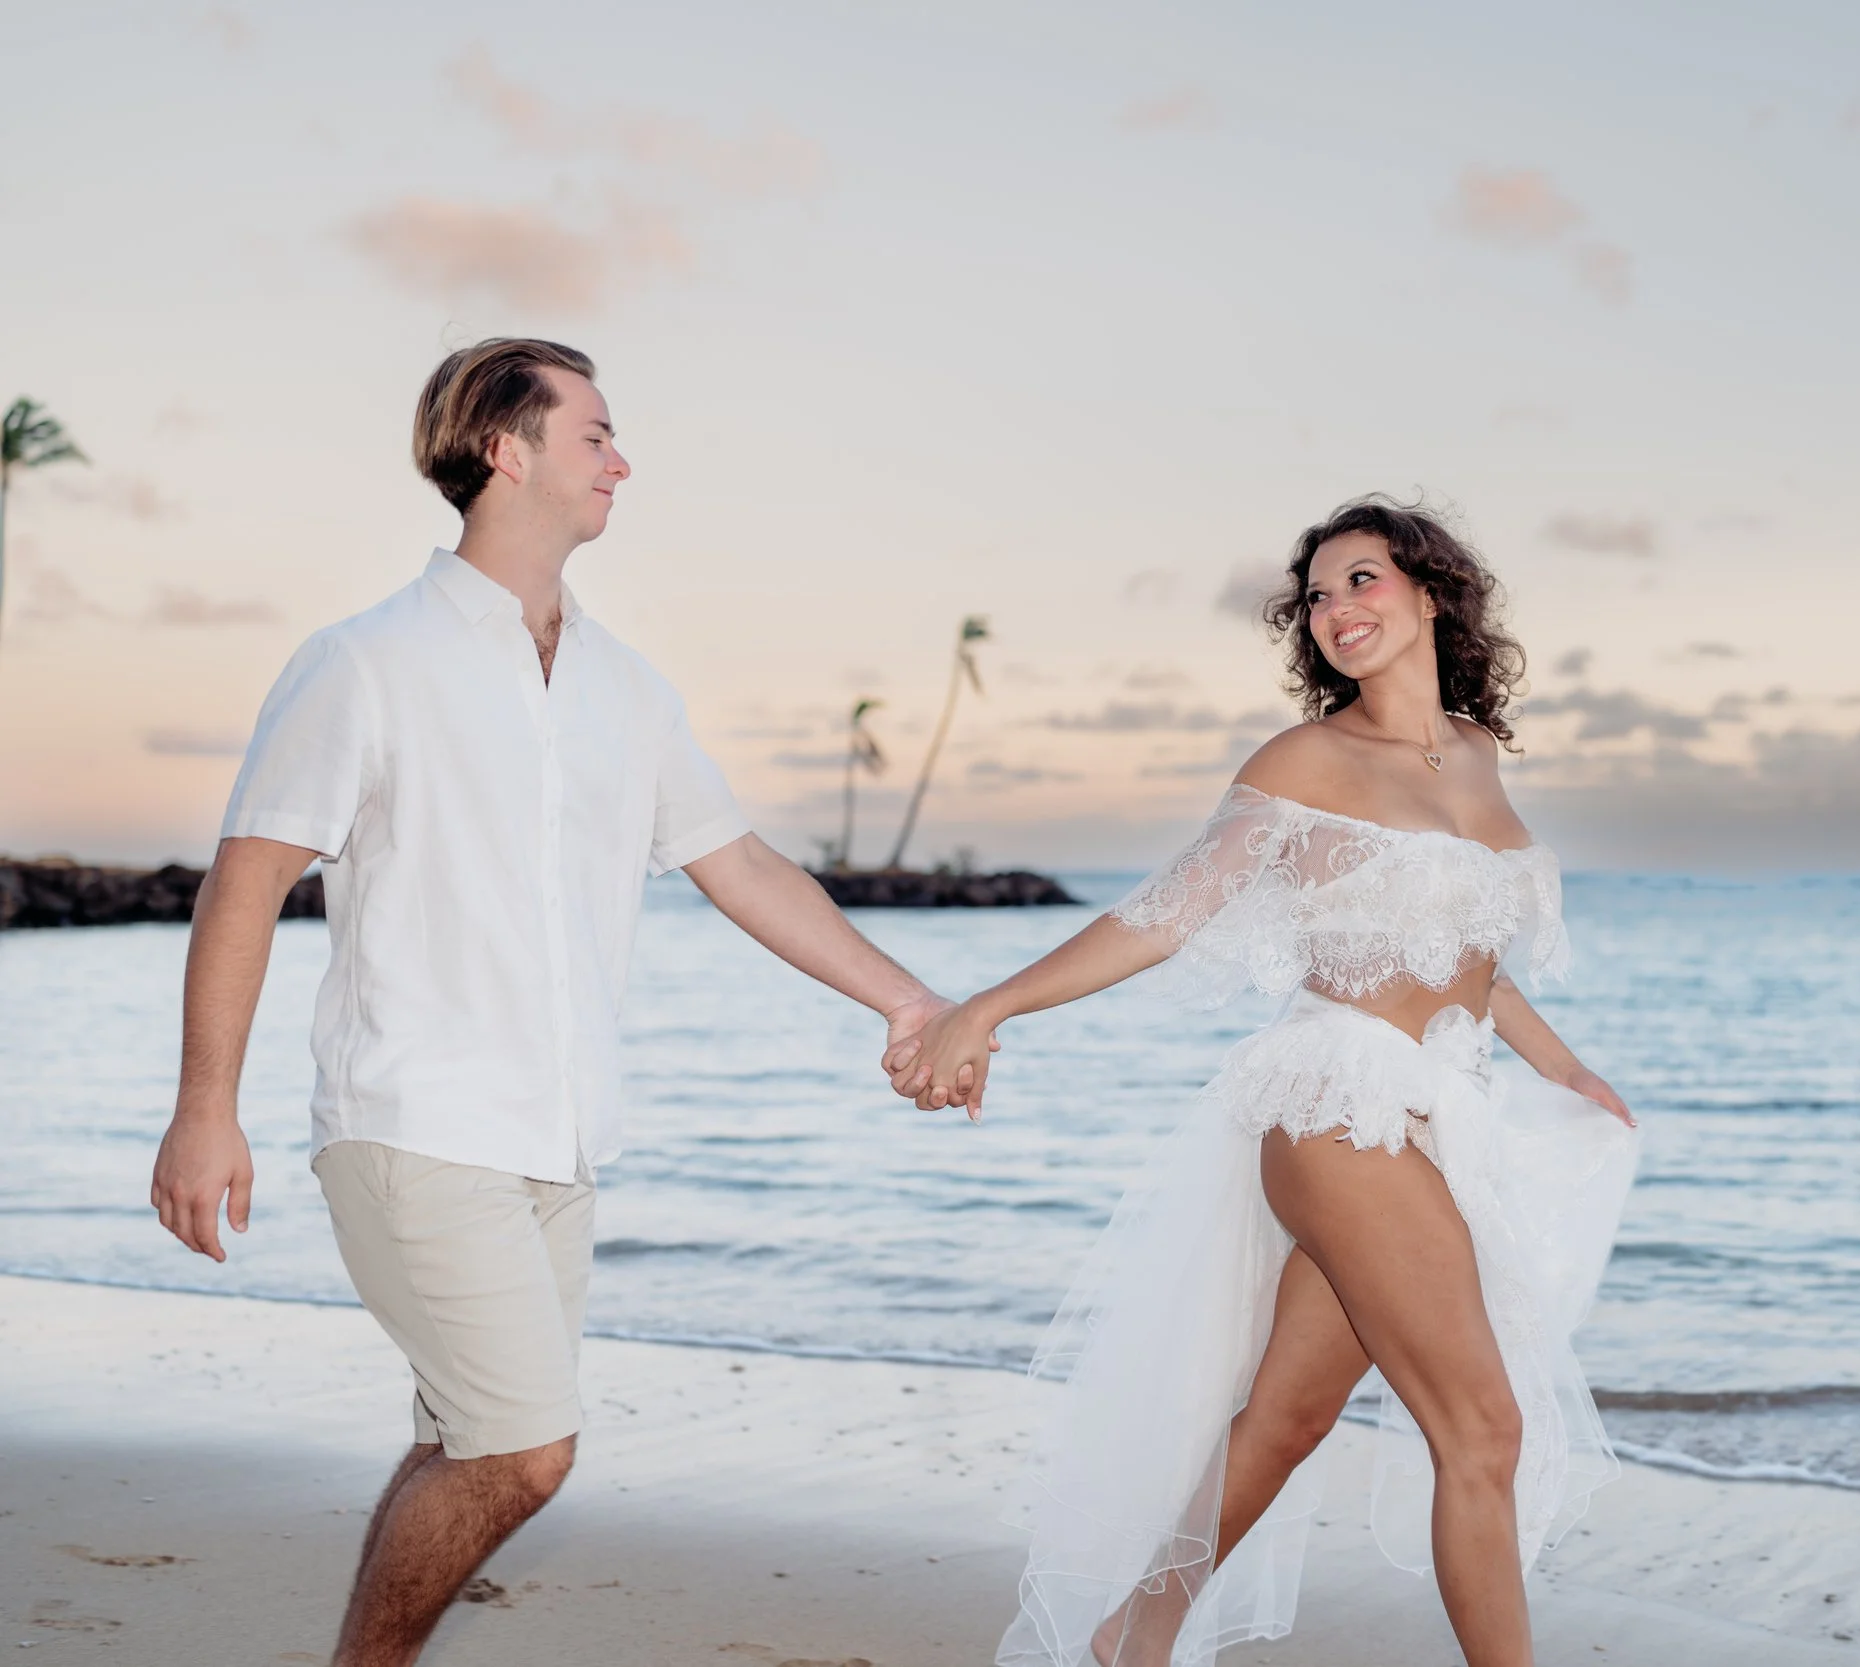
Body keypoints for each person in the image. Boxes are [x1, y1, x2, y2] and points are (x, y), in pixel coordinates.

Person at [147, 338, 967, 1667]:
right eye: (595, 434)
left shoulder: (625, 684)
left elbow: (742, 864)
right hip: (414, 1116)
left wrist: (908, 997)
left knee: (465, 1436)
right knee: (526, 1450)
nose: (621, 460)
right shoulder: (365, 660)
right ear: (506, 450)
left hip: (564, 1136)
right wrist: (203, 1108)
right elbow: (246, 881)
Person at [889, 496, 1642, 1667]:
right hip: (1336, 1107)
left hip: (1437, 1113)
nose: (1335, 609)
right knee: (1482, 1428)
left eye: (1362, 581)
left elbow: (1468, 963)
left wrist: (1566, 1066)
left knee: (1287, 1419)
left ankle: (1130, 1636)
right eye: (1319, 593)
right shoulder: (1306, 760)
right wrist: (989, 1004)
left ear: (1430, 594)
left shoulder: (1474, 751)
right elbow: (1166, 912)